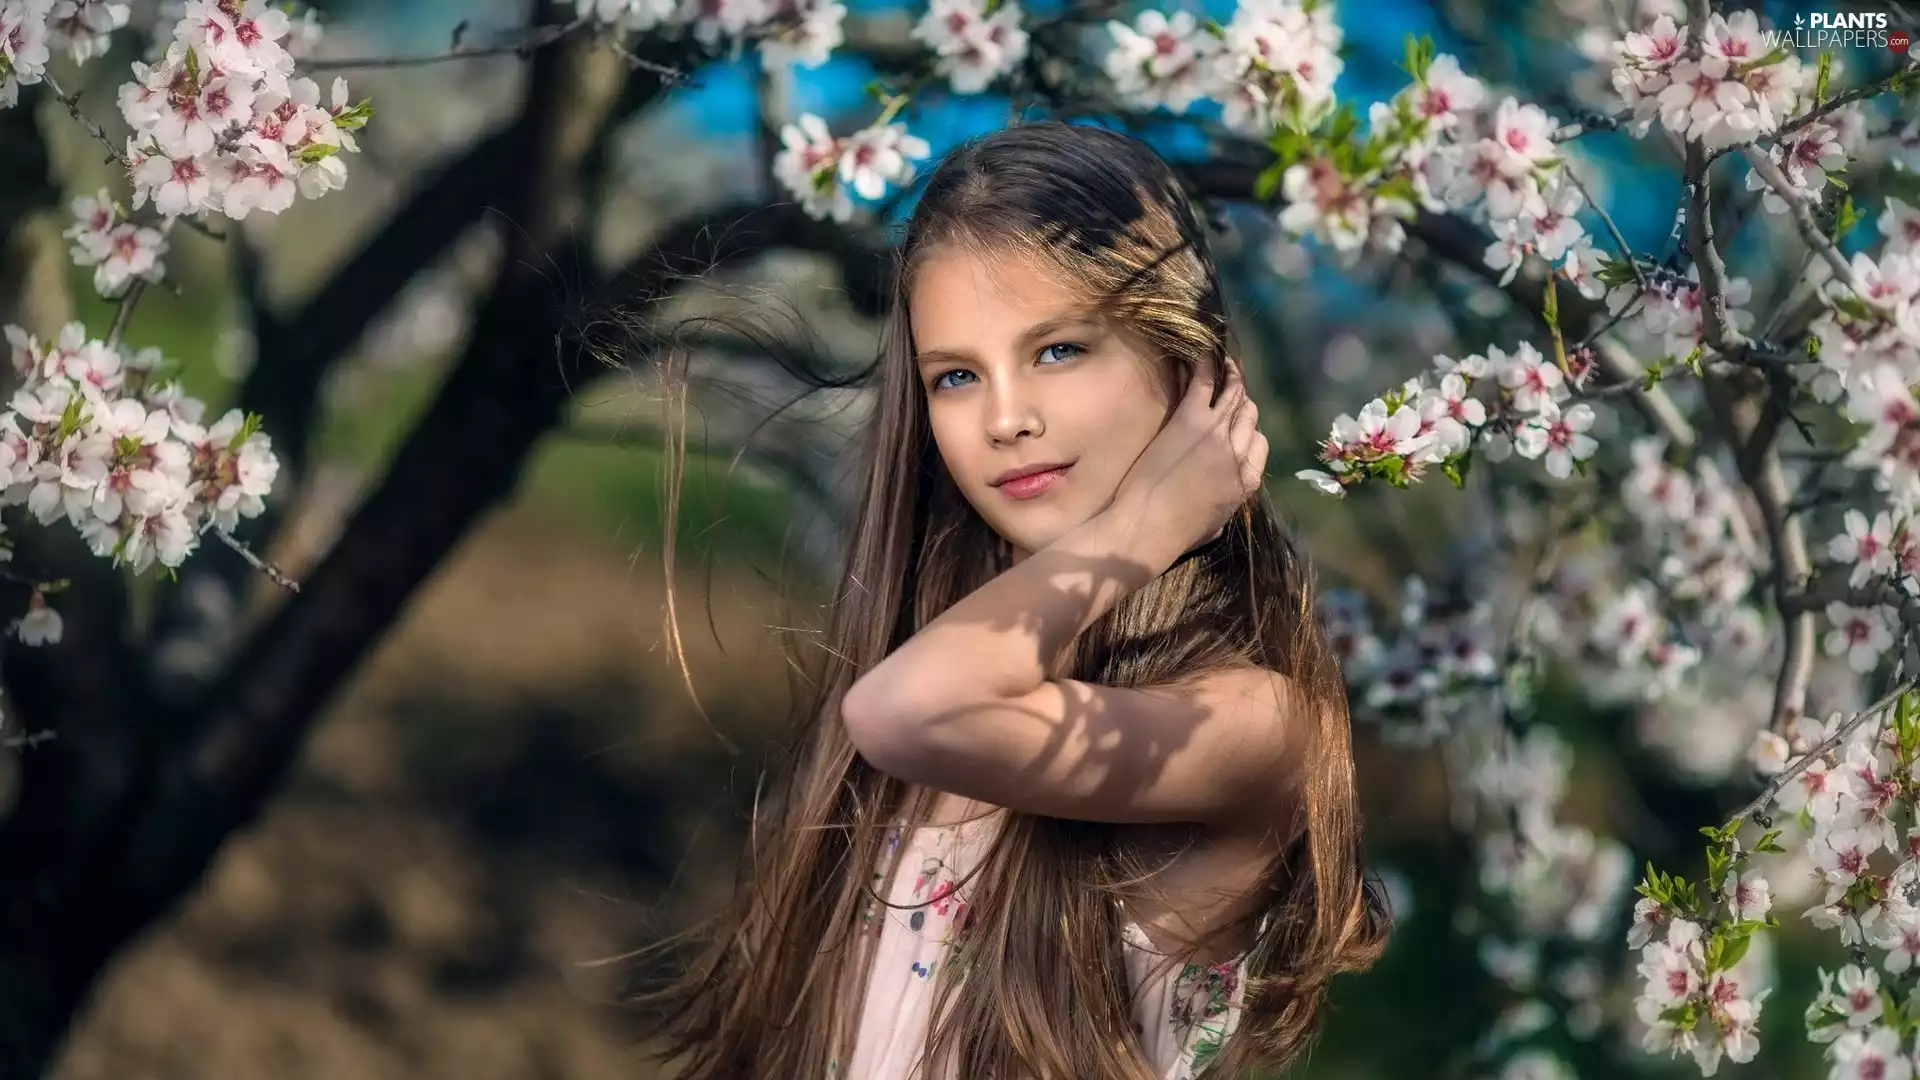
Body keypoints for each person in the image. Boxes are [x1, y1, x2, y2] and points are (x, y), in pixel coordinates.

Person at [633, 119, 1387, 1079]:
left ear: (1188, 361)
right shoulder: (936, 668)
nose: (1003, 419)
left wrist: (1144, 526)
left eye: (1060, 350)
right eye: (956, 376)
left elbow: (903, 714)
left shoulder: (1250, 720)